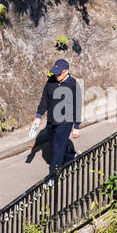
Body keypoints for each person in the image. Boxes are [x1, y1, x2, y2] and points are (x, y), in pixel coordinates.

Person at [30, 58, 82, 188]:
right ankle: (71, 156)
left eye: (59, 73)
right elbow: (45, 100)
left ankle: (53, 176)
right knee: (55, 144)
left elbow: (77, 106)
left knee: (57, 148)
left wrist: (76, 126)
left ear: (67, 72)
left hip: (66, 121)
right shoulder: (51, 81)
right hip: (52, 119)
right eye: (55, 73)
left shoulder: (73, 85)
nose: (56, 75)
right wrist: (38, 117)